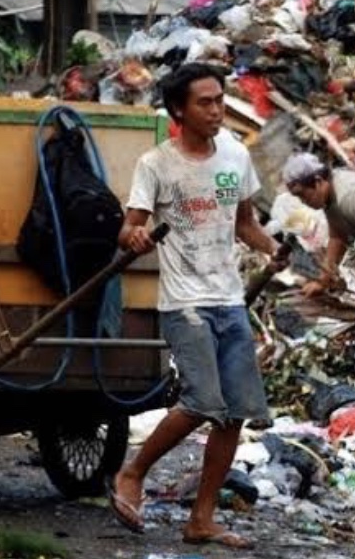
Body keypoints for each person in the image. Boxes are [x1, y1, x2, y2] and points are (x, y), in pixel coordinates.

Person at [109, 63, 283, 549]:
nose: (217, 110)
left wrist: (272, 249)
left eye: (220, 100)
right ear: (179, 111)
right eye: (205, 103)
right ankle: (132, 473)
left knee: (234, 413)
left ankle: (201, 519)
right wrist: (137, 236)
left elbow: (244, 222)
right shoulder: (157, 165)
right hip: (185, 303)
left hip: (228, 299)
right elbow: (129, 229)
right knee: (203, 401)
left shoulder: (233, 155)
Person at [283, 152, 355, 293]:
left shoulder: (347, 197)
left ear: (318, 181)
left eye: (303, 195)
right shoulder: (330, 195)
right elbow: (337, 237)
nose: (303, 201)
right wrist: (322, 281)